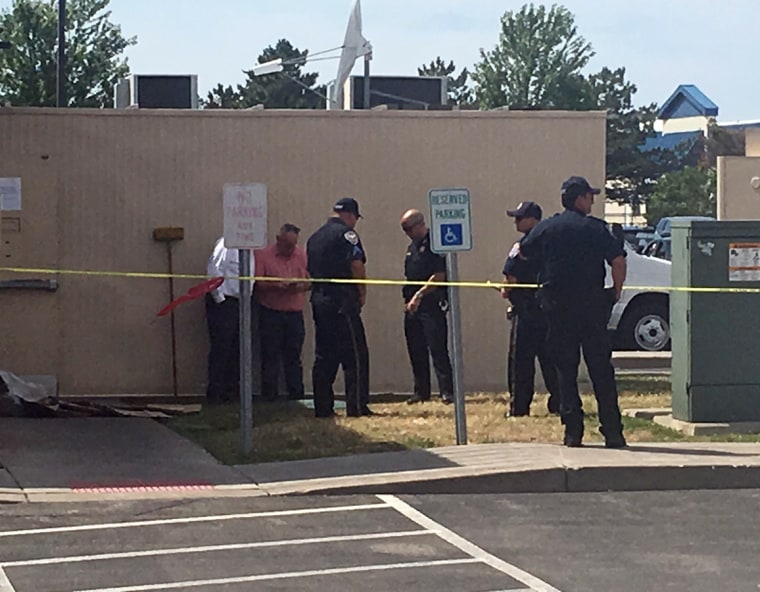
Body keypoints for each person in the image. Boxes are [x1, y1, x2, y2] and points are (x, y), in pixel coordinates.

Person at [519, 176, 628, 448]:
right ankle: (613, 433)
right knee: (601, 370)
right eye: (590, 196)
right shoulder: (596, 229)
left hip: (557, 309)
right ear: (579, 198)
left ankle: (572, 432)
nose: (592, 200)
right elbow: (618, 260)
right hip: (592, 308)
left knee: (565, 371)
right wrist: (616, 291)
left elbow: (523, 253)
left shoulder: (548, 228)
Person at [306, 197, 372, 418]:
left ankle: (323, 408)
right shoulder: (347, 235)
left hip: (319, 300)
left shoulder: (314, 237)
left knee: (324, 355)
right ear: (351, 215)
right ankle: (357, 406)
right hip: (342, 301)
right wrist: (361, 293)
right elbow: (356, 264)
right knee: (355, 354)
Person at [501, 201, 560, 417]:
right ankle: (560, 402)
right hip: (550, 309)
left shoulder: (522, 246)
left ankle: (519, 407)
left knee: (521, 361)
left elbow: (511, 277)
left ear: (533, 220)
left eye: (519, 218)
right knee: (551, 359)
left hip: (526, 311)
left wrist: (505, 290)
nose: (516, 222)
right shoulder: (553, 244)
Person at [400, 209, 454, 405]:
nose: (406, 233)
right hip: (412, 305)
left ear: (419, 224)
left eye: (407, 228)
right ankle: (421, 391)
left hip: (430, 304)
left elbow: (439, 276)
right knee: (416, 349)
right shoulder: (412, 247)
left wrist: (419, 295)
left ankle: (447, 391)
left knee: (437, 348)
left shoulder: (435, 244)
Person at [254, 223, 310, 402]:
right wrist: (277, 285)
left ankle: (296, 396)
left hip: (294, 314)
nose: (290, 249)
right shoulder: (263, 255)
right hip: (271, 313)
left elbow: (312, 280)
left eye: (293, 245)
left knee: (293, 356)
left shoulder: (301, 254)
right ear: (278, 239)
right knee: (270, 356)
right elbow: (258, 282)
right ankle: (269, 397)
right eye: (286, 245)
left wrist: (300, 286)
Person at [204, 237, 254, 405]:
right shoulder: (226, 245)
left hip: (242, 302)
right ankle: (216, 394)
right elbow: (213, 271)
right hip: (225, 302)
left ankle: (231, 393)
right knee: (221, 348)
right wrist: (220, 300)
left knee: (237, 349)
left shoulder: (249, 249)